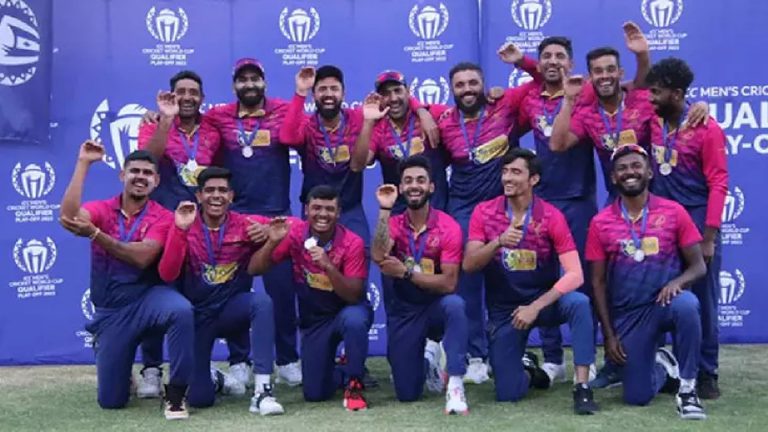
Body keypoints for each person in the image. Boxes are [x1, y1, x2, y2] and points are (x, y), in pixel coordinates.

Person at [59, 143, 193, 420]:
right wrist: (83, 163)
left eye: (147, 173)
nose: (140, 177)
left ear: (156, 181)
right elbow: (69, 217)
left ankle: (176, 393)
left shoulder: (163, 216)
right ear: (123, 175)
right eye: (135, 171)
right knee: (111, 402)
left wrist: (96, 235)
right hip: (112, 312)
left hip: (147, 301)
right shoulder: (103, 209)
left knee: (181, 310)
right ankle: (117, 363)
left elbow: (142, 257)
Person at [463, 148, 598, 415]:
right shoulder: (484, 212)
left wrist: (535, 307)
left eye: (516, 172)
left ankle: (582, 387)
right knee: (507, 393)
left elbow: (575, 274)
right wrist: (498, 242)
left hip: (544, 303)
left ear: (533, 179)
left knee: (579, 302)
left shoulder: (551, 216)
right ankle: (529, 370)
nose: (507, 178)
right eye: (505, 171)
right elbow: (469, 265)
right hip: (506, 310)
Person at [436, 43, 540, 383]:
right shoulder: (444, 121)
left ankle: (512, 348)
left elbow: (542, 83)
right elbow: (413, 107)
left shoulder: (504, 105)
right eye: (460, 85)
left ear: (483, 85)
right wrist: (421, 112)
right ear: (452, 90)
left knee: (510, 277)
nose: (467, 89)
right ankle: (476, 354)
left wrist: (522, 61)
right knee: (467, 284)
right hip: (464, 209)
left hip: (504, 205)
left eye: (473, 83)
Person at [586, 144, 707, 420]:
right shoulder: (600, 222)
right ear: (613, 177)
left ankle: (688, 390)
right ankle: (662, 366)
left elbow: (699, 266)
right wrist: (609, 335)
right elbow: (598, 283)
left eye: (636, 166)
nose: (630, 172)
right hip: (630, 314)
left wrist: (678, 283)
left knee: (688, 305)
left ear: (649, 172)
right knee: (636, 397)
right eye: (622, 168)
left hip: (666, 302)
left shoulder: (674, 211)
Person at [204, 58, 303, 387]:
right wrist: (156, 116)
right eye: (243, 79)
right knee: (235, 294)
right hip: (235, 219)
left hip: (276, 217)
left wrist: (418, 108)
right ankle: (239, 361)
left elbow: (305, 128)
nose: (249, 84)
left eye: (255, 79)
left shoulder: (284, 110)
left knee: (282, 293)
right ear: (234, 85)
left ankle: (287, 359)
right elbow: (186, 124)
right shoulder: (218, 116)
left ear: (264, 82)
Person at [157, 167, 284, 415]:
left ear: (231, 196)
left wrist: (270, 236)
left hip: (230, 310)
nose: (216, 196)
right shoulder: (183, 222)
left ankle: (263, 392)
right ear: (199, 196)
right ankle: (215, 378)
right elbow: (167, 274)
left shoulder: (246, 224)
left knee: (262, 302)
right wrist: (180, 231)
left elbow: (291, 227)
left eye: (223, 191)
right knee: (200, 399)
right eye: (210, 190)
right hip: (197, 317)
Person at [134, 70, 230, 398]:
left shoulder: (212, 130)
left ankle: (199, 363)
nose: (187, 97)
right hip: (160, 222)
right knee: (156, 292)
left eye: (193, 92)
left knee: (197, 296)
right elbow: (149, 159)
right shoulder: (153, 123)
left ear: (202, 98)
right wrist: (165, 119)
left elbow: (215, 174)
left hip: (200, 226)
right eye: (181, 92)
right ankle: (150, 369)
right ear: (171, 96)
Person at [646, 57, 728, 399]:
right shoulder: (652, 120)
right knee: (666, 295)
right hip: (662, 223)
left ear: (677, 94)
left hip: (696, 222)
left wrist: (708, 238)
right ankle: (673, 368)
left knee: (703, 301)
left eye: (657, 92)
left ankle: (706, 373)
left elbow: (718, 183)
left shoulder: (707, 128)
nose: (651, 98)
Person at [248, 185, 372, 411]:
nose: (322, 214)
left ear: (338, 213)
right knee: (315, 394)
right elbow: (254, 269)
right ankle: (342, 371)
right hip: (316, 320)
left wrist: (328, 266)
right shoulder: (295, 234)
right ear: (306, 210)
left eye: (329, 209)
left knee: (354, 320)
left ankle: (355, 383)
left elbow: (354, 295)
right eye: (316, 208)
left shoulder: (352, 242)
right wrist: (272, 242)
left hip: (347, 310)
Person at [371, 155, 469, 414]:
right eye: (408, 181)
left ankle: (455, 385)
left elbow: (449, 283)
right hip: (406, 310)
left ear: (431, 187)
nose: (414, 186)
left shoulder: (448, 226)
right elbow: (379, 255)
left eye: (420, 180)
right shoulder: (393, 223)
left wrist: (406, 273)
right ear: (401, 188)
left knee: (455, 305)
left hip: (437, 305)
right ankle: (428, 359)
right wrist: (384, 209)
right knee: (407, 394)